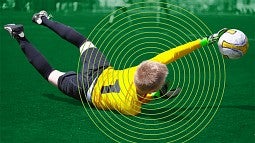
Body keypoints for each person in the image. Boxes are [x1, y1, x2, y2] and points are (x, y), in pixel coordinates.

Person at [4, 10, 227, 116]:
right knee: (50, 73)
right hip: (86, 90)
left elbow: (176, 52)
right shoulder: (132, 107)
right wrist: (157, 95)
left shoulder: (139, 69)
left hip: (99, 69)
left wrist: (207, 40)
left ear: (142, 67)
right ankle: (20, 36)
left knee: (82, 42)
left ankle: (43, 20)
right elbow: (141, 96)